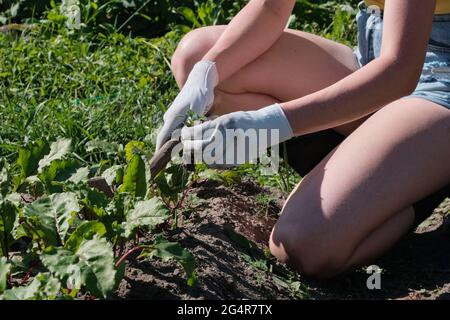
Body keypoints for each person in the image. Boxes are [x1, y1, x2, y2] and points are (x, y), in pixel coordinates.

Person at [156, 0, 450, 279]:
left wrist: (271, 123)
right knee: (197, 56)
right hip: (377, 48)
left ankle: (421, 188)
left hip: (437, 80)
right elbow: (270, 9)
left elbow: (399, 71)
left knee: (303, 243)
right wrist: (204, 75)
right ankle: (373, 165)